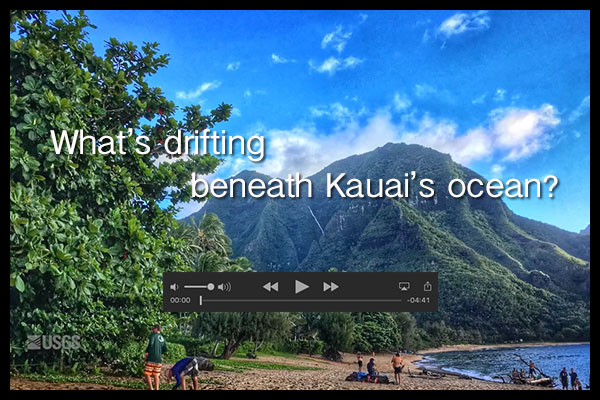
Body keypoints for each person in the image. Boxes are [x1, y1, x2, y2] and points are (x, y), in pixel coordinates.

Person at [144, 324, 167, 390]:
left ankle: (151, 388)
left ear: (156, 329)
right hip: (159, 359)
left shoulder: (153, 335)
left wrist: (147, 352)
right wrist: (160, 353)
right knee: (156, 375)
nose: (152, 330)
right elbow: (165, 349)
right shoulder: (163, 338)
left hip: (151, 358)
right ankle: (157, 388)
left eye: (153, 328)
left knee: (147, 373)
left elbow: (151, 344)